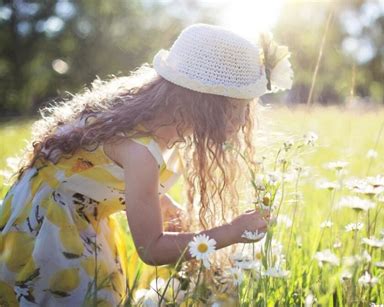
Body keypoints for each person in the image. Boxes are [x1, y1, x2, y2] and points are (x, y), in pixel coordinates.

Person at [0, 23, 293, 305]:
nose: (244, 121)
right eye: (239, 108)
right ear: (205, 103)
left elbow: (95, 169)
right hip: (51, 229)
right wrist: (230, 232)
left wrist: (161, 202)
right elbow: (151, 249)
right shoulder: (140, 152)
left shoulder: (144, 115)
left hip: (65, 209)